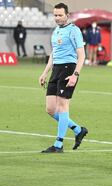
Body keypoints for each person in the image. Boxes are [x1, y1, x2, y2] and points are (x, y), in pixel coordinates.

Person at [38, 3, 88, 153]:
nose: (57, 18)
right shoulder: (56, 31)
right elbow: (53, 54)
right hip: (56, 70)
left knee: (62, 107)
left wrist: (75, 75)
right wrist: (45, 73)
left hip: (68, 69)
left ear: (67, 15)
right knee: (51, 109)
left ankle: (58, 145)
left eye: (60, 15)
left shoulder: (74, 31)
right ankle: (78, 130)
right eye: (55, 15)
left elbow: (82, 55)